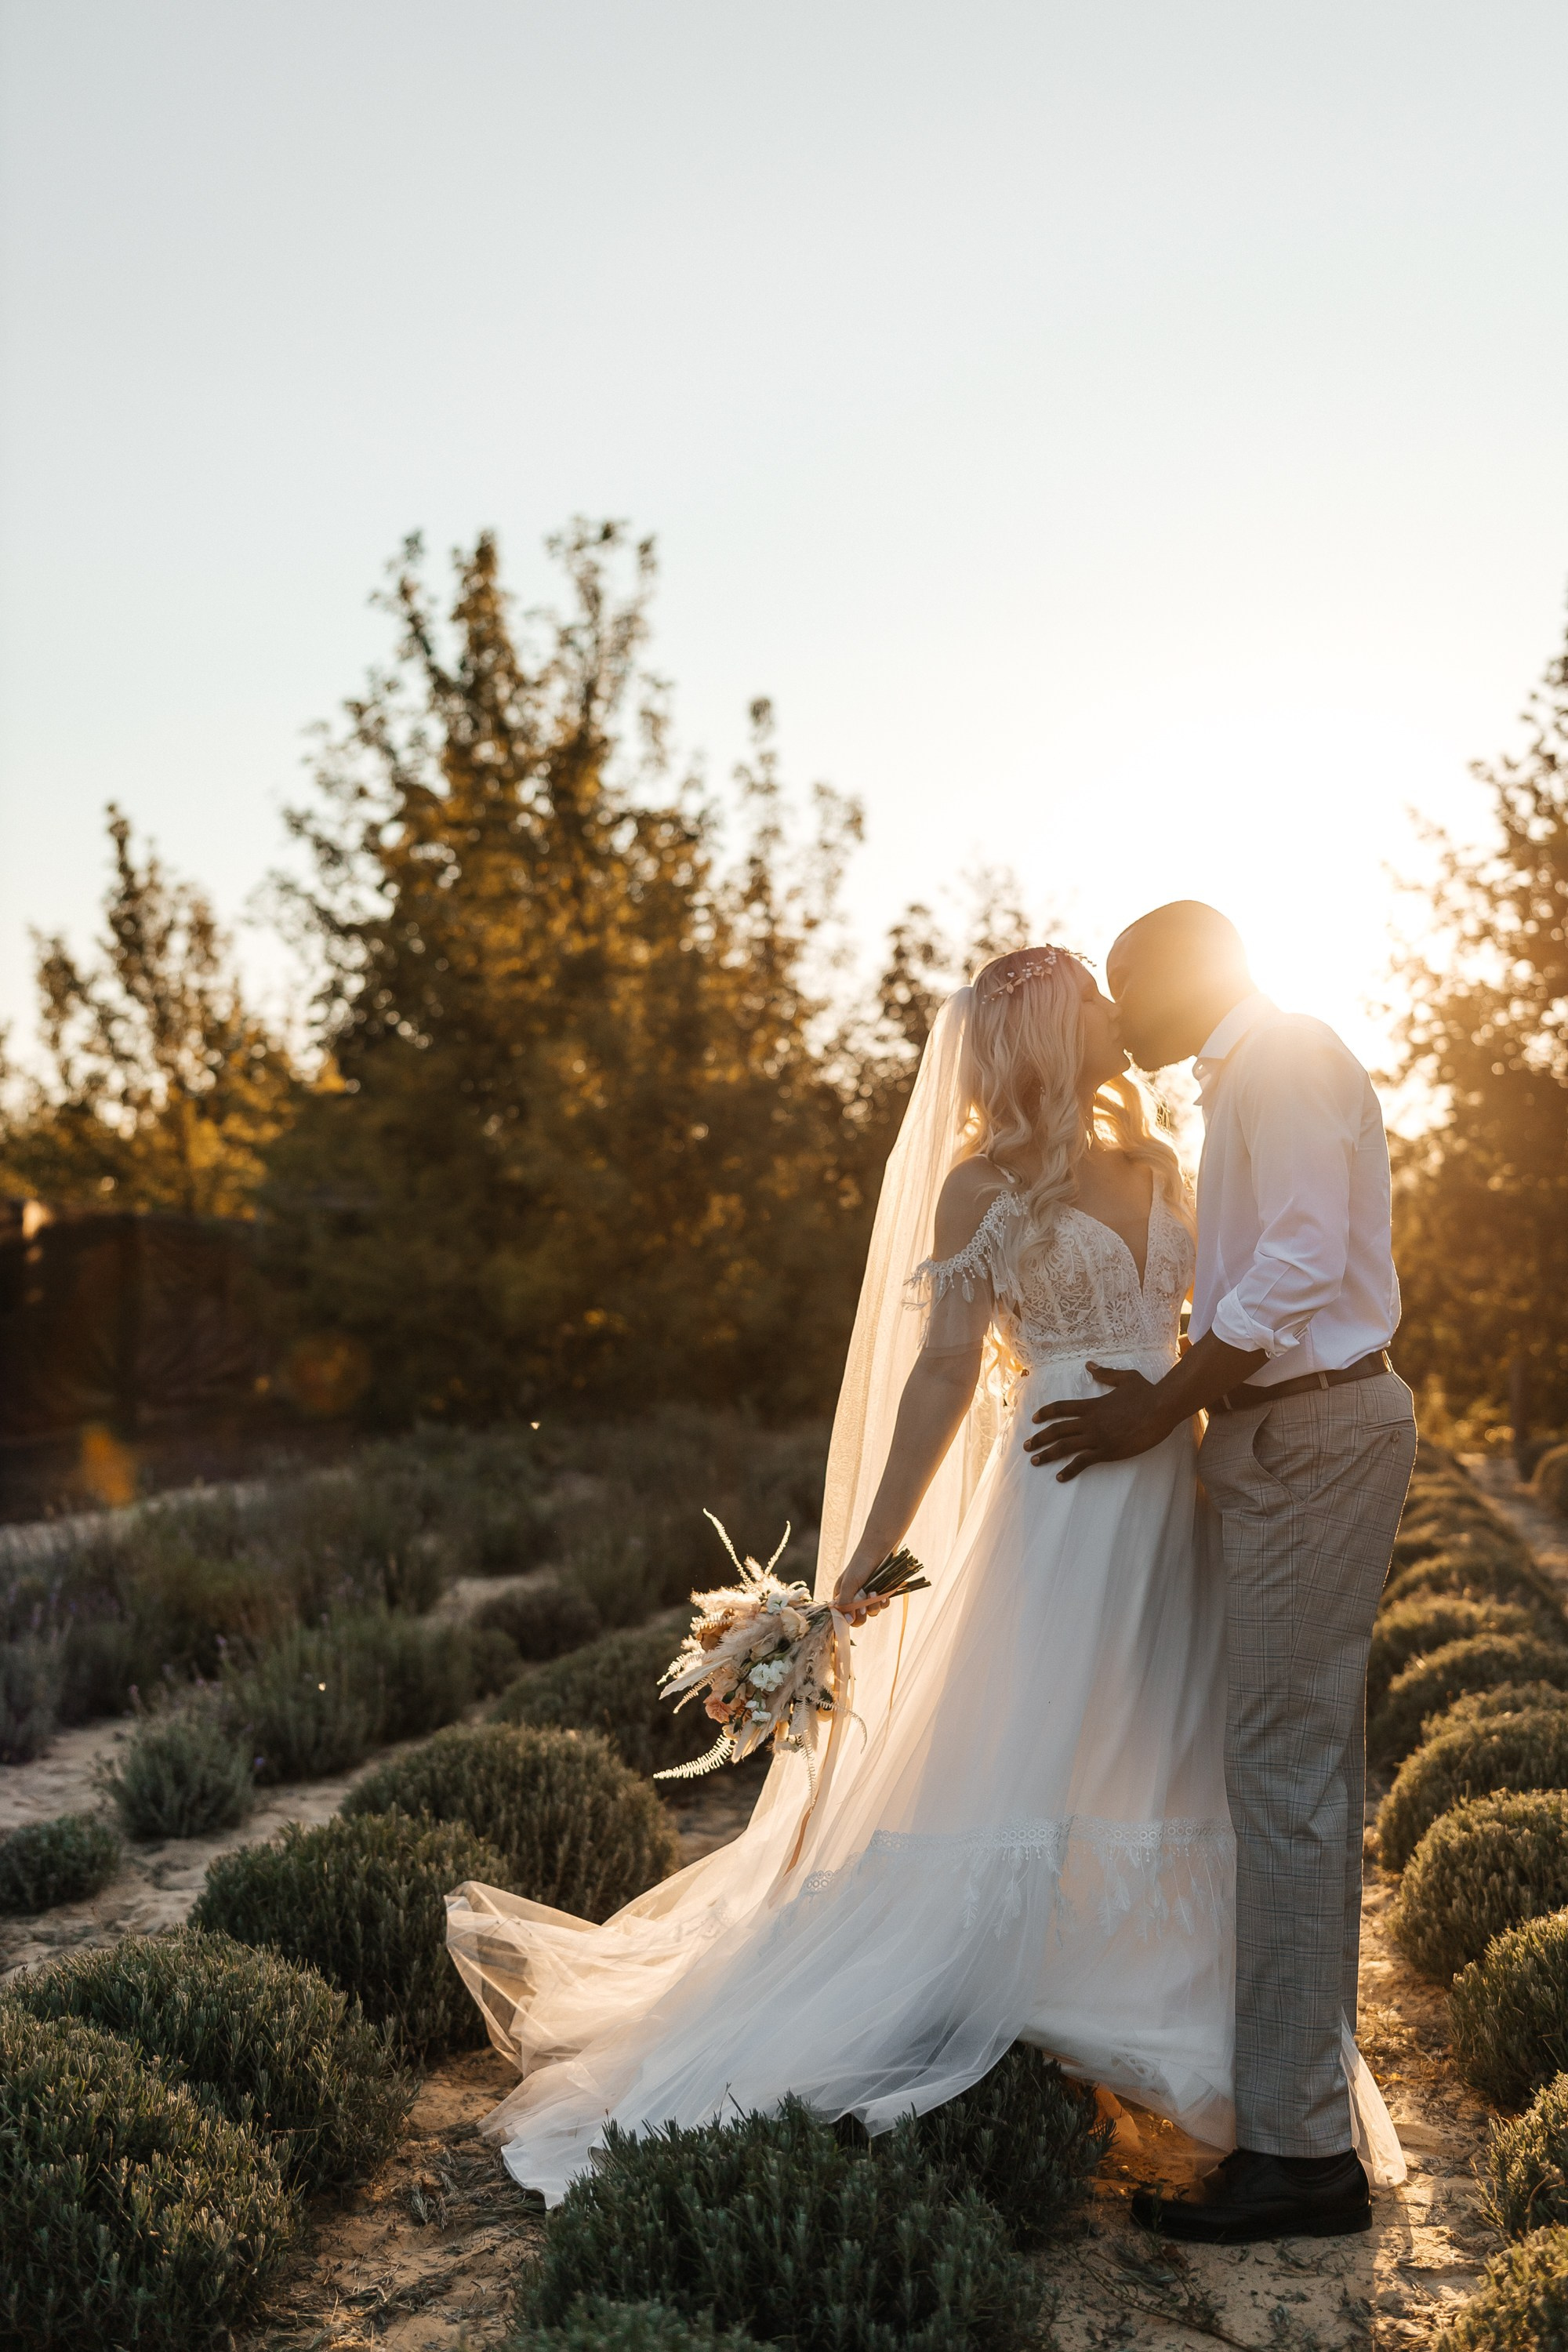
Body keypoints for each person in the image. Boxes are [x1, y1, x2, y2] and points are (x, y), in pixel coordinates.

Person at [446, 942, 1404, 2211]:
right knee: (1039, 1756)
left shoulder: (1163, 1161)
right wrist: (863, 1564)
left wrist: (1173, 1411)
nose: (1119, 1013)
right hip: (1064, 1496)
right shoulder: (979, 1190)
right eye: (1093, 998)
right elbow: (946, 1377)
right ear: (1048, 1036)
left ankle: (1198, 2071)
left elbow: (1230, 1313)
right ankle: (1011, 2027)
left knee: (1173, 1750)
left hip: (1175, 1494)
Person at [1026, 902, 1417, 2242]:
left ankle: (1303, 2163)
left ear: (1193, 971)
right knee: (1283, 1772)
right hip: (1278, 1434)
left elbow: (1301, 1264)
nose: (1120, 1017)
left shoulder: (1289, 1055)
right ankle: (1290, 2126)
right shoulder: (1240, 1080)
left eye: (1128, 984)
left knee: (1288, 1784)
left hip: (1309, 1431)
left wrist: (1162, 1401)